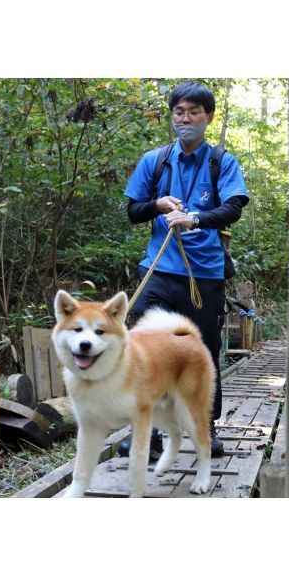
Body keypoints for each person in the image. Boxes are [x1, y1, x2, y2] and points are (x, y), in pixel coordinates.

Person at [119, 81, 250, 458]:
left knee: (203, 351)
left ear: (208, 117)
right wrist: (158, 205)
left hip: (204, 273)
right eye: (179, 112)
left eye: (194, 113)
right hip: (159, 268)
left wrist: (193, 218)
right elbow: (132, 211)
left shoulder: (221, 161)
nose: (186, 119)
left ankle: (204, 427)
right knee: (144, 348)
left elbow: (234, 208)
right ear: (172, 116)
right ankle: (147, 433)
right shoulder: (156, 160)